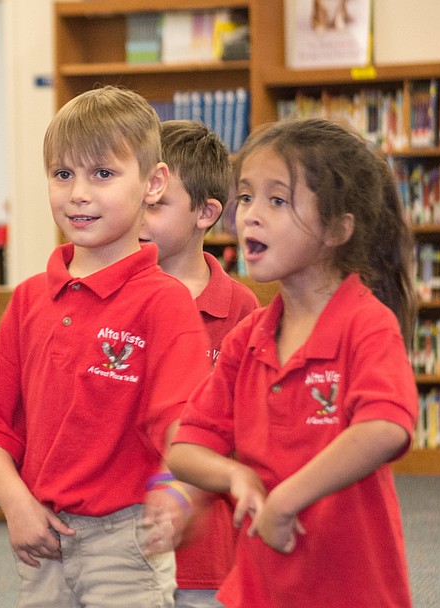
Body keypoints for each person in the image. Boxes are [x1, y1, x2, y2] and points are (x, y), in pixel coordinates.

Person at [0, 85, 211, 608]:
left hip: (126, 541)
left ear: (153, 182)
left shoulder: (164, 302)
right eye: (62, 174)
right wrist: (15, 505)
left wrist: (175, 490)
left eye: (102, 173)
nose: (78, 192)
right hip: (41, 538)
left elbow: (184, 424)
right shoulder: (31, 298)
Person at [167, 117, 417, 607]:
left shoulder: (366, 324)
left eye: (277, 200)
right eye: (246, 197)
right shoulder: (248, 339)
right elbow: (185, 447)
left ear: (338, 228)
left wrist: (285, 500)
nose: (249, 216)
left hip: (352, 589)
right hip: (261, 587)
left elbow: (384, 427)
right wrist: (235, 477)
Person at [140, 119, 259, 608]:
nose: (138, 217)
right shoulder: (113, 302)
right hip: (120, 546)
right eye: (135, 199)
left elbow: (245, 435)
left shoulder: (241, 310)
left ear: (206, 212)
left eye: (157, 204)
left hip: (205, 560)